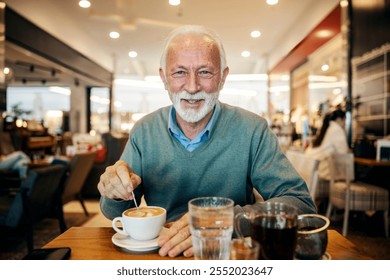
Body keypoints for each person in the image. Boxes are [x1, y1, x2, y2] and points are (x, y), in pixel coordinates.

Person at [98, 25, 316, 258]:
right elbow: (115, 213)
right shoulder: (144, 130)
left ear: (222, 77)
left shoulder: (252, 129)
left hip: (228, 254)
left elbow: (301, 205)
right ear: (164, 78)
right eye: (179, 72)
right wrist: (114, 192)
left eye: (205, 72)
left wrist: (224, 221)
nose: (192, 87)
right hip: (162, 253)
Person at [305, 109, 349, 205]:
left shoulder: (329, 128)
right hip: (325, 174)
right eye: (345, 120)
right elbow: (344, 154)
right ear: (340, 119)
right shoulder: (337, 129)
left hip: (318, 171)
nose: (345, 124)